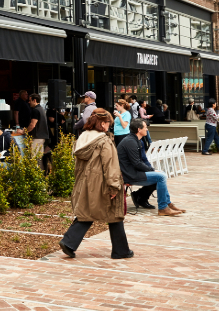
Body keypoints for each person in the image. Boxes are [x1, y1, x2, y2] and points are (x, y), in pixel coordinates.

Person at [57, 109, 132, 259]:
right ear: (103, 124)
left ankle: (69, 241)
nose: (109, 126)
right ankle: (120, 250)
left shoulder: (82, 138)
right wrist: (114, 186)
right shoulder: (104, 141)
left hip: (84, 182)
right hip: (102, 183)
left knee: (87, 211)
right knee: (114, 214)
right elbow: (110, 165)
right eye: (108, 123)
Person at [119, 119, 184, 217]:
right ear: (139, 129)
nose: (147, 129)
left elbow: (144, 160)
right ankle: (163, 208)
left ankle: (167, 204)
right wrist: (152, 170)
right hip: (129, 174)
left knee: (161, 173)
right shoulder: (130, 142)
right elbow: (137, 163)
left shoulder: (138, 140)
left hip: (134, 171)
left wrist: (153, 170)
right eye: (145, 127)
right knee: (161, 177)